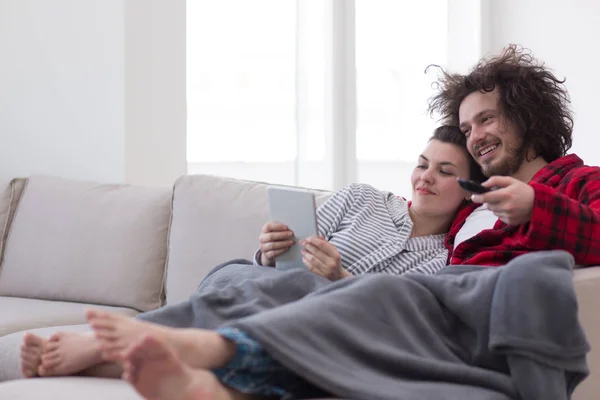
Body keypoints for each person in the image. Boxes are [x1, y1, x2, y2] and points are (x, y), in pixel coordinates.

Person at [20, 125, 485, 379]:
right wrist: (270, 249)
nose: (425, 177)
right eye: (422, 164)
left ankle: (110, 348)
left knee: (304, 301)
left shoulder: (445, 258)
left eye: (444, 171)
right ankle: (131, 347)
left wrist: (341, 279)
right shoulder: (364, 198)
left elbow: (395, 317)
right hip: (263, 286)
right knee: (237, 277)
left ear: (468, 191)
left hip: (323, 318)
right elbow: (279, 260)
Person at [427, 44, 600, 266]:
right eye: (466, 130)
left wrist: (535, 208)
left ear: (526, 118)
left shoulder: (582, 182)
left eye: (487, 119)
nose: (474, 138)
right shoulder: (467, 206)